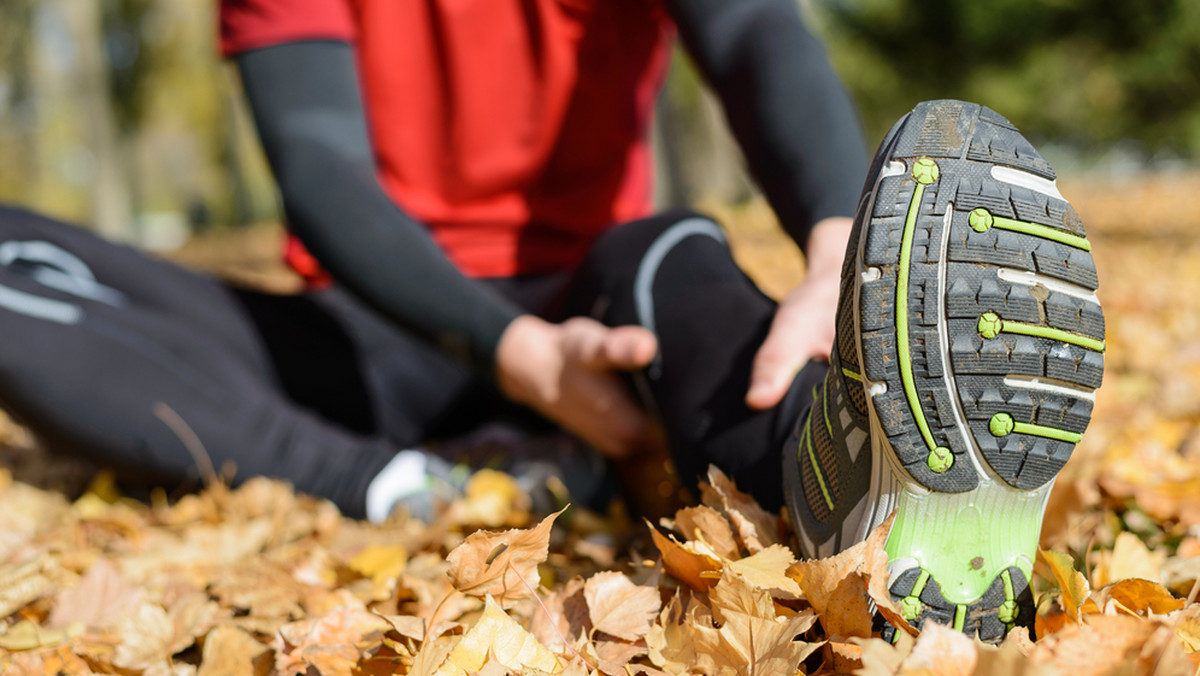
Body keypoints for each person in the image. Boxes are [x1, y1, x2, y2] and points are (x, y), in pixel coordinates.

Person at [0, 0, 1104, 642]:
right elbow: (322, 173)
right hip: (378, 327)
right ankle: (402, 480)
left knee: (673, 250)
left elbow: (756, 33)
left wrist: (831, 244)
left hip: (605, 315)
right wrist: (511, 351)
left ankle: (855, 490)